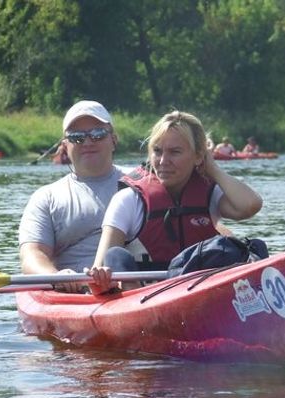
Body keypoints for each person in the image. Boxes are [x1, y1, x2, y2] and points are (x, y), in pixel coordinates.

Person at [88, 111, 263, 294]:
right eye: (157, 151)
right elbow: (100, 267)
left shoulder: (209, 193)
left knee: (255, 247)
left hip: (200, 294)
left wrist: (212, 169)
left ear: (198, 156)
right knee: (115, 255)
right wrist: (102, 278)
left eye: (175, 152)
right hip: (144, 297)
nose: (163, 161)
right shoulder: (128, 200)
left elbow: (250, 205)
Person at [19, 100, 124, 293]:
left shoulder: (142, 183)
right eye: (76, 137)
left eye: (98, 134)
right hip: (74, 297)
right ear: (64, 146)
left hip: (134, 289)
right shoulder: (45, 197)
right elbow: (32, 255)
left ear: (114, 140)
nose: (88, 142)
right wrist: (55, 276)